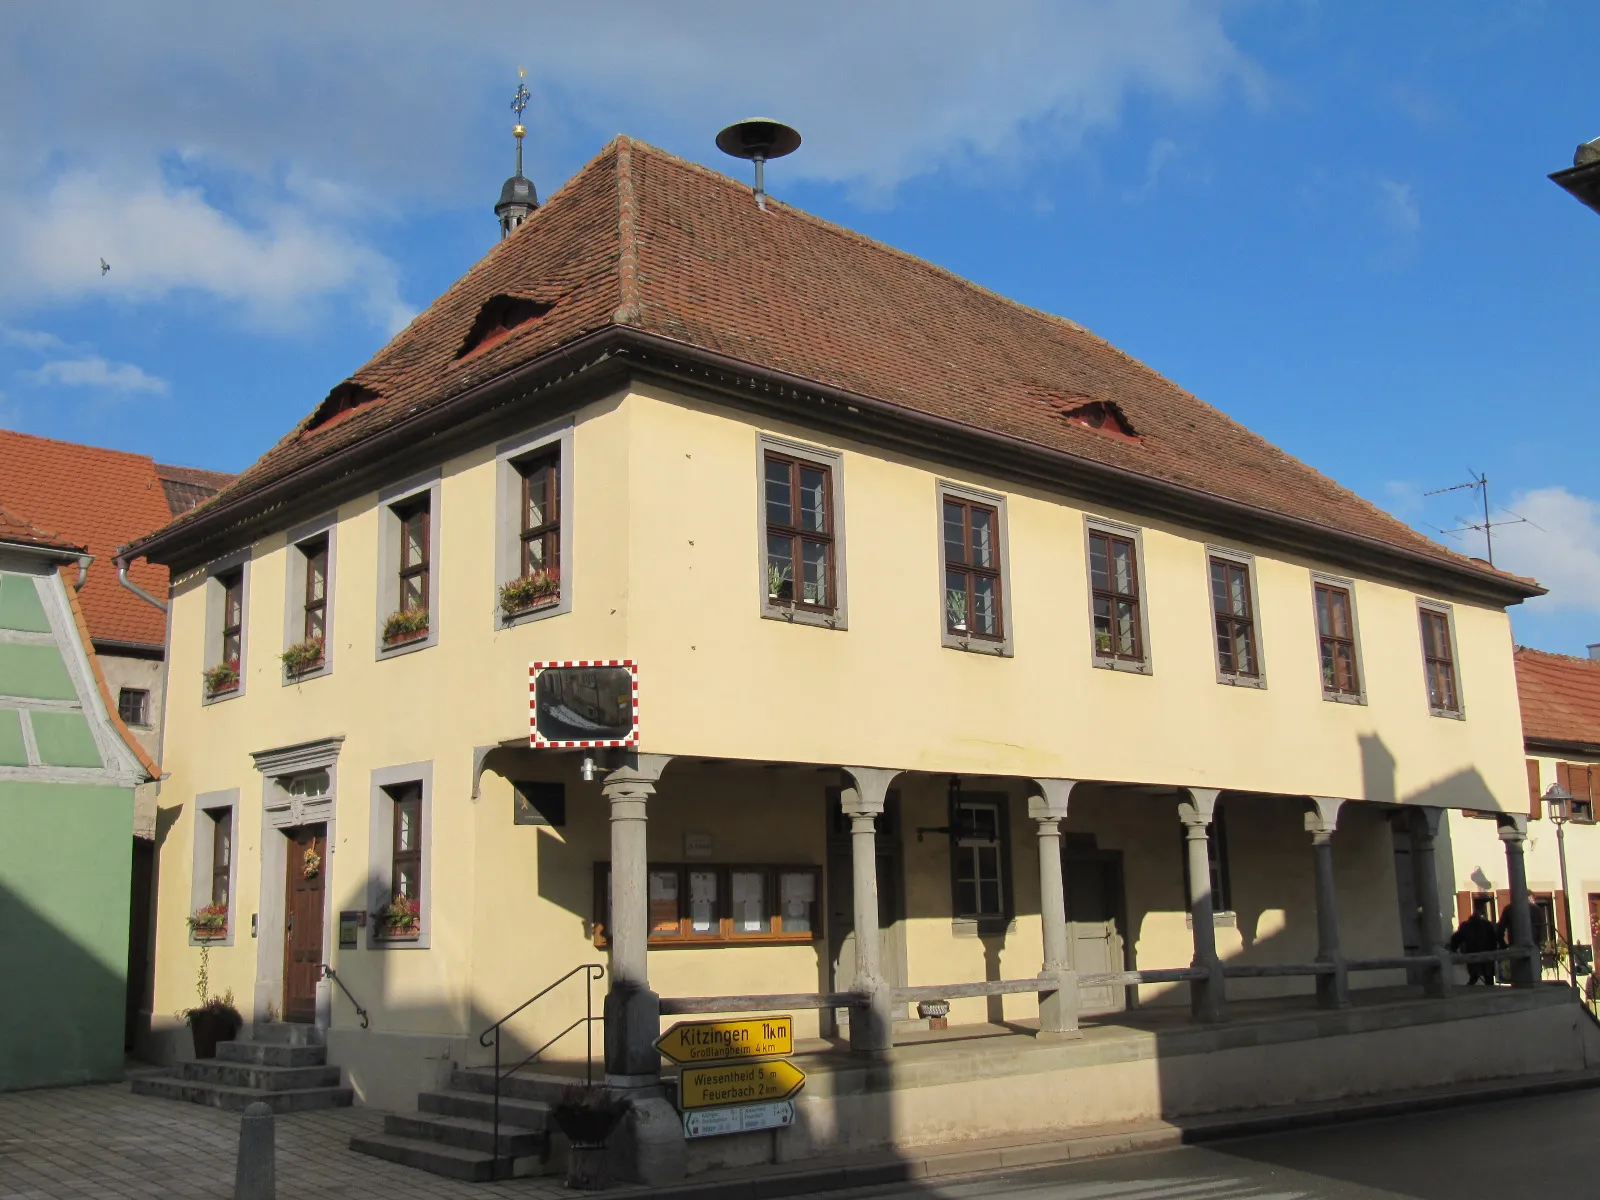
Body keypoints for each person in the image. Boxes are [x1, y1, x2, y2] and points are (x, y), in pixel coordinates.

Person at [1450, 909, 1500, 985]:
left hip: (1473, 953)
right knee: (1487, 977)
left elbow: (1456, 938)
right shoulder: (1487, 925)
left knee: (1475, 976)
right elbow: (1495, 938)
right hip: (1486, 954)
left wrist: (1453, 948)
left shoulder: (1466, 926)